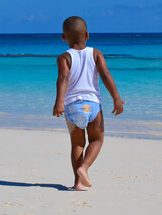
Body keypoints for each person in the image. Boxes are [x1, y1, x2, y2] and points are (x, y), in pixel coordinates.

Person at [53, 16, 125, 190]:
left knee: (77, 144)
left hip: (72, 106)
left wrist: (59, 102)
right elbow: (106, 75)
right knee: (97, 140)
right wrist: (116, 98)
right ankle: (84, 168)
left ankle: (78, 183)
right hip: (92, 105)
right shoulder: (96, 53)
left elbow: (63, 78)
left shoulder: (64, 57)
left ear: (63, 37)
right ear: (87, 35)